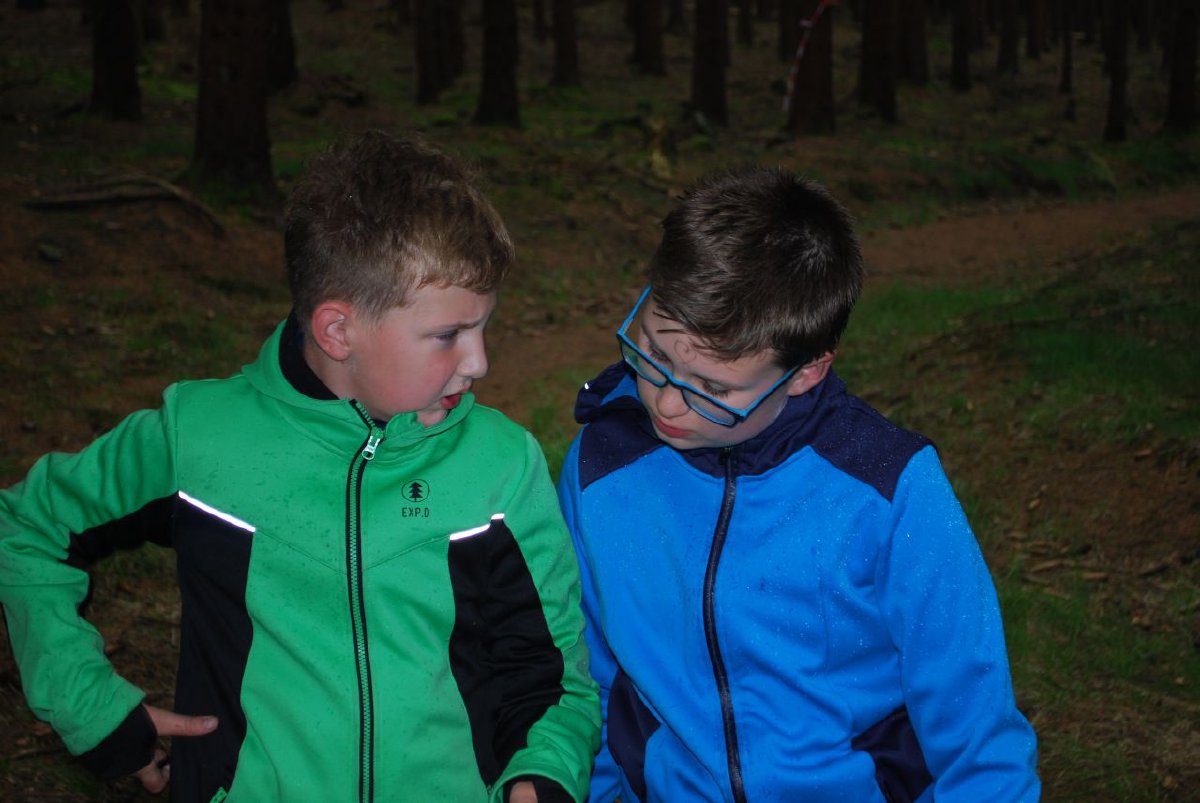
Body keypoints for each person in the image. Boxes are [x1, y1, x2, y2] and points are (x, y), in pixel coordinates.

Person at [0, 130, 599, 803]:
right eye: (448, 335)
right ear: (338, 331)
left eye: (484, 326)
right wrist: (93, 708)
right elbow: (26, 527)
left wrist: (541, 776)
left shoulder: (499, 464)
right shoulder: (200, 438)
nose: (479, 361)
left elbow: (551, 676)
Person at [556, 166, 1040, 802]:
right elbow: (584, 673)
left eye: (713, 388)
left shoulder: (889, 487)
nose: (667, 404)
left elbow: (976, 728)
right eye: (655, 354)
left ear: (808, 371)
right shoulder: (602, 464)